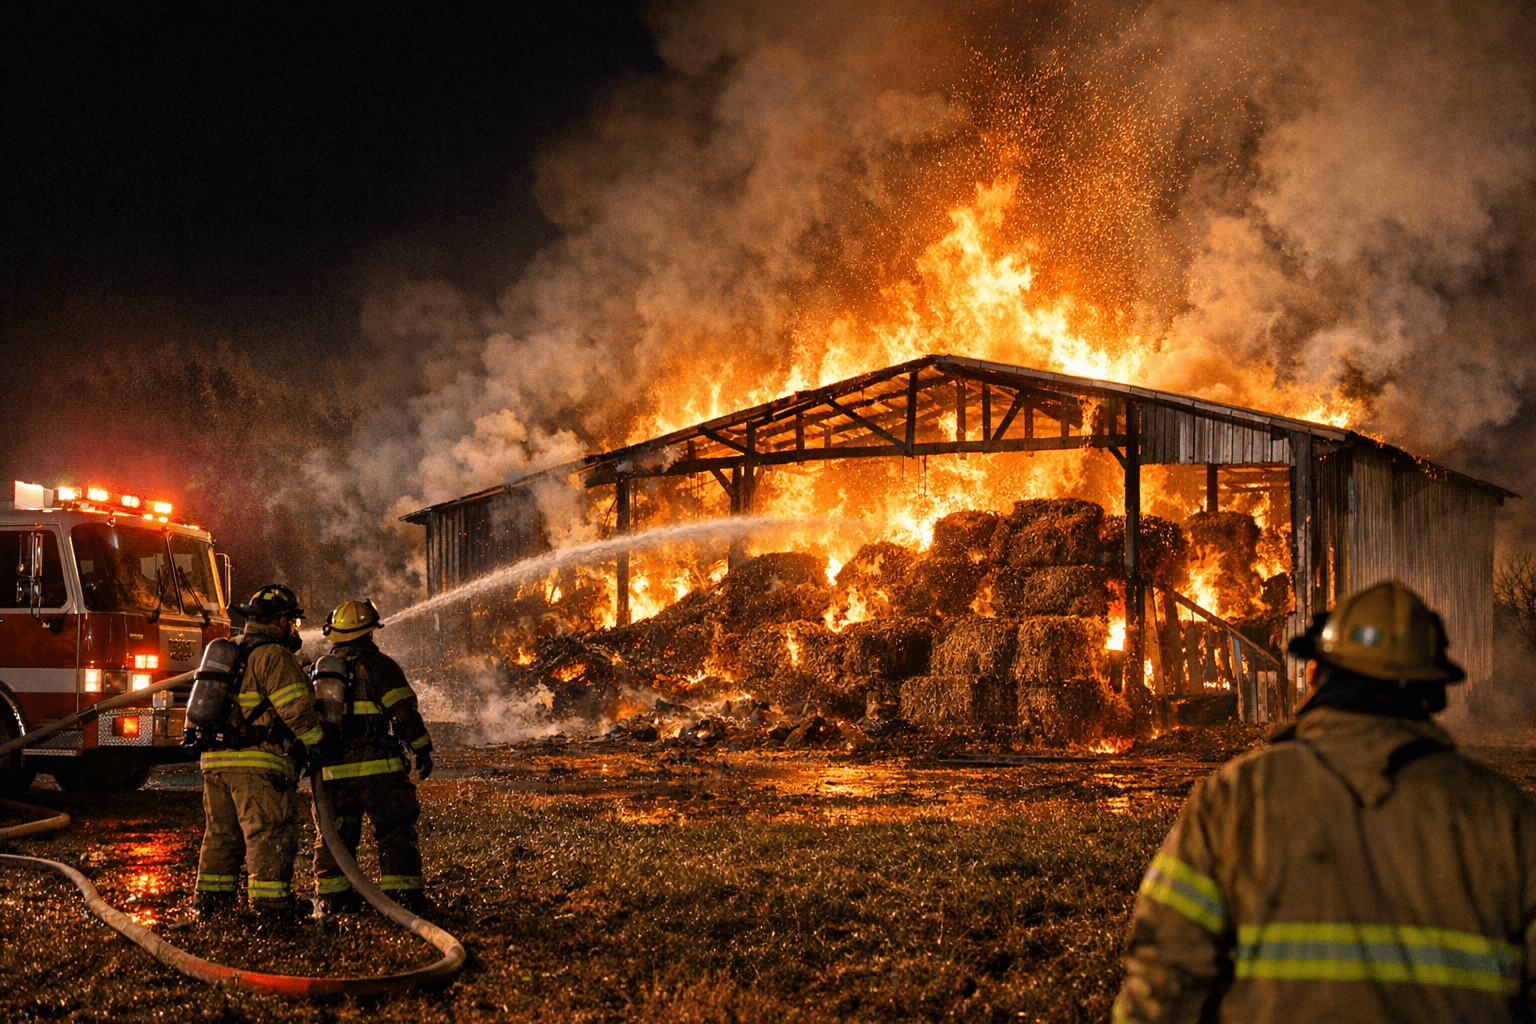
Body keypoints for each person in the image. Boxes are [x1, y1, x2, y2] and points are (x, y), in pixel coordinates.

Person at [1113, 579, 1536, 1022]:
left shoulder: (1237, 796)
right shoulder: (1506, 815)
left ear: (1315, 674)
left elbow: (1161, 984)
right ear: (1432, 691)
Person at [192, 584, 325, 919]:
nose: (294, 629)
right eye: (292, 622)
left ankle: (211, 903)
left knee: (222, 836)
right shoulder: (274, 657)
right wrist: (317, 745)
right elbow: (297, 709)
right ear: (279, 621)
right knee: (269, 832)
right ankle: (272, 906)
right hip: (257, 764)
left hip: (215, 762)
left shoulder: (227, 651)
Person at [310, 598, 435, 916]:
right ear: (369, 633)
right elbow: (403, 713)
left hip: (334, 772)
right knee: (394, 831)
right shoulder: (381, 667)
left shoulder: (320, 669)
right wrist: (421, 748)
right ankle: (402, 897)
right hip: (378, 769)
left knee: (335, 835)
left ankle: (334, 900)